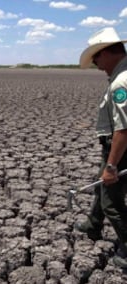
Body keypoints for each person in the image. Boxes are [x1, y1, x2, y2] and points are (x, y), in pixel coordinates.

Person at [76, 27, 127, 268]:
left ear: (108, 53)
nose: (97, 64)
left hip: (119, 150)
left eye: (97, 57)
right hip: (114, 149)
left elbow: (124, 130)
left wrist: (111, 165)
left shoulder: (121, 82)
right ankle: (93, 224)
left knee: (111, 202)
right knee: (100, 187)